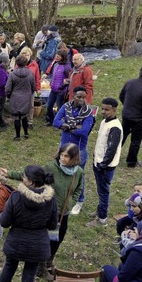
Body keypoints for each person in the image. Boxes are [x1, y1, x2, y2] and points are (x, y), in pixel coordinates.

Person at [0, 143, 84, 281]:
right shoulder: (51, 167)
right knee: (47, 239)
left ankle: (49, 262)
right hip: (49, 211)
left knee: (58, 239)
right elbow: (30, 177)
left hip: (64, 213)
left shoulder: (78, 172)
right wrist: (8, 173)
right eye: (61, 154)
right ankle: (41, 267)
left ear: (74, 158)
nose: (62, 158)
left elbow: (79, 188)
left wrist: (71, 203)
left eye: (66, 156)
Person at [0, 165, 58, 282]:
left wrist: (1, 214)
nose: (22, 178)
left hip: (17, 241)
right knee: (29, 274)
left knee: (10, 265)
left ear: (31, 182)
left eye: (25, 177)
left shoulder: (16, 196)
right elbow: (53, 224)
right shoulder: (51, 199)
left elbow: (5, 222)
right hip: (37, 244)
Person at [53, 87, 95, 215]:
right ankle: (61, 195)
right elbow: (55, 122)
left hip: (78, 149)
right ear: (73, 96)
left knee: (78, 175)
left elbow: (84, 132)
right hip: (64, 146)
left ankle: (79, 201)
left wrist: (67, 127)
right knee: (60, 171)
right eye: (79, 97)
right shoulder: (66, 107)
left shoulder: (88, 113)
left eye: (84, 97)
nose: (82, 100)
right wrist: (75, 126)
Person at [87, 98, 123, 227]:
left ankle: (102, 218)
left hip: (105, 166)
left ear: (114, 109)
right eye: (102, 109)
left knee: (103, 192)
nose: (103, 112)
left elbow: (111, 149)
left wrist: (103, 165)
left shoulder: (115, 127)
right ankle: (99, 210)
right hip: (98, 162)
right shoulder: (104, 122)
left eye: (106, 109)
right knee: (100, 189)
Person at [119, 64, 142, 167]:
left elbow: (121, 96)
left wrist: (127, 106)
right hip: (139, 119)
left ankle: (112, 156)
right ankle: (131, 162)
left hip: (126, 115)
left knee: (121, 137)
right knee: (135, 141)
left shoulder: (129, 83)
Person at [6, 55, 36, 141]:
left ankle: (18, 136)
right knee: (24, 116)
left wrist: (8, 95)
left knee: (17, 117)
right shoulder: (30, 73)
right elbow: (33, 87)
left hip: (15, 97)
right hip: (26, 97)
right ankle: (26, 133)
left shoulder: (12, 74)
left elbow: (8, 88)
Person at [45, 49, 70, 126]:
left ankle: (60, 123)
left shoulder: (67, 67)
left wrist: (61, 87)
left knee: (60, 108)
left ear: (63, 57)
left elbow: (68, 80)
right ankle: (52, 120)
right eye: (56, 55)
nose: (56, 57)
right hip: (53, 89)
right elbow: (53, 76)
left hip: (61, 91)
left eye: (58, 56)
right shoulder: (55, 64)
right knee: (49, 106)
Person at [19, 47, 41, 128]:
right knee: (21, 104)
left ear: (30, 55)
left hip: (30, 88)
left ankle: (30, 121)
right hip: (20, 88)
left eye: (27, 55)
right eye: (24, 55)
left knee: (31, 105)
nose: (26, 56)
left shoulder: (34, 64)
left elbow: (37, 77)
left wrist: (38, 88)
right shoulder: (18, 63)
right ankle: (21, 119)